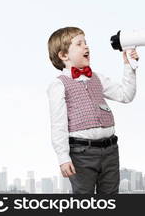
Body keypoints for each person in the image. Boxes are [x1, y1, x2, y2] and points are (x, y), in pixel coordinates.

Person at [47, 27, 138, 194]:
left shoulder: (97, 78)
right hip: (81, 153)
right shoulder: (58, 85)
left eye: (86, 43)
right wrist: (63, 157)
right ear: (63, 55)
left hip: (110, 149)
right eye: (79, 44)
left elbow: (126, 95)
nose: (86, 47)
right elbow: (58, 124)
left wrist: (129, 67)